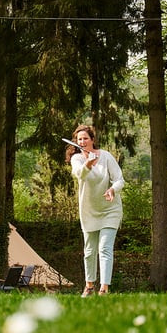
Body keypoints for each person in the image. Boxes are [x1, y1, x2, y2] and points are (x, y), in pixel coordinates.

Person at [66, 124, 125, 297]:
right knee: (90, 251)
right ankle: (89, 285)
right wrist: (88, 164)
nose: (82, 141)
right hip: (89, 211)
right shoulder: (77, 159)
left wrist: (113, 189)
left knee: (105, 248)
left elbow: (120, 180)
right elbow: (80, 174)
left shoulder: (106, 156)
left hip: (110, 210)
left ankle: (104, 288)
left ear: (92, 140)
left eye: (85, 138)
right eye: (79, 139)